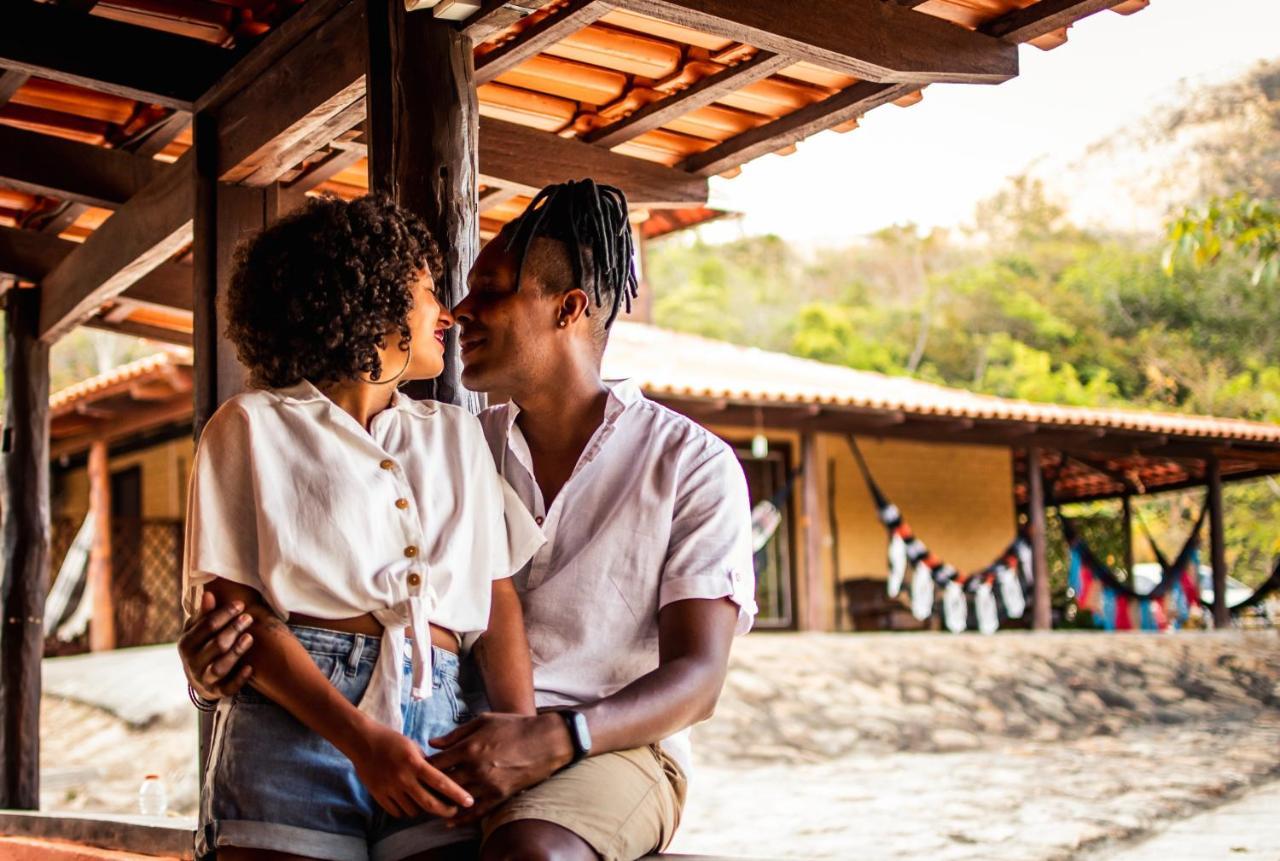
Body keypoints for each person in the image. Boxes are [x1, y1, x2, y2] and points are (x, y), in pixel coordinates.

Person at [183, 180, 757, 861]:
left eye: (490, 291)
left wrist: (547, 734)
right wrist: (212, 672)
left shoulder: (687, 462)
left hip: (592, 742)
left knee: (527, 851)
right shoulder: (452, 436)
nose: (458, 310)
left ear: (568, 309)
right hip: (421, 734)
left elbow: (696, 673)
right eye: (441, 290)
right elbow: (252, 608)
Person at [183, 194, 544, 861]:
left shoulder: (458, 436)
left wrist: (519, 736)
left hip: (443, 721)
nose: (448, 313)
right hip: (294, 726)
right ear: (370, 298)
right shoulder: (250, 426)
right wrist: (360, 739)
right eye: (430, 291)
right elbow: (243, 620)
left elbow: (496, 597)